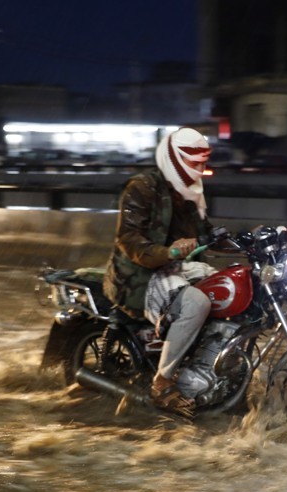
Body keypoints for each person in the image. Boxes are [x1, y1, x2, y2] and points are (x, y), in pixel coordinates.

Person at [103, 127, 214, 418]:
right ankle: (163, 383)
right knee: (196, 302)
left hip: (173, 267)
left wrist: (256, 238)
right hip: (138, 275)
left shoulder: (190, 194)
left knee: (225, 286)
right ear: (175, 159)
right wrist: (169, 252)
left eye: (203, 162)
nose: (200, 169)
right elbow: (129, 239)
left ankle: (209, 364)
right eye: (194, 163)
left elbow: (207, 233)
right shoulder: (142, 187)